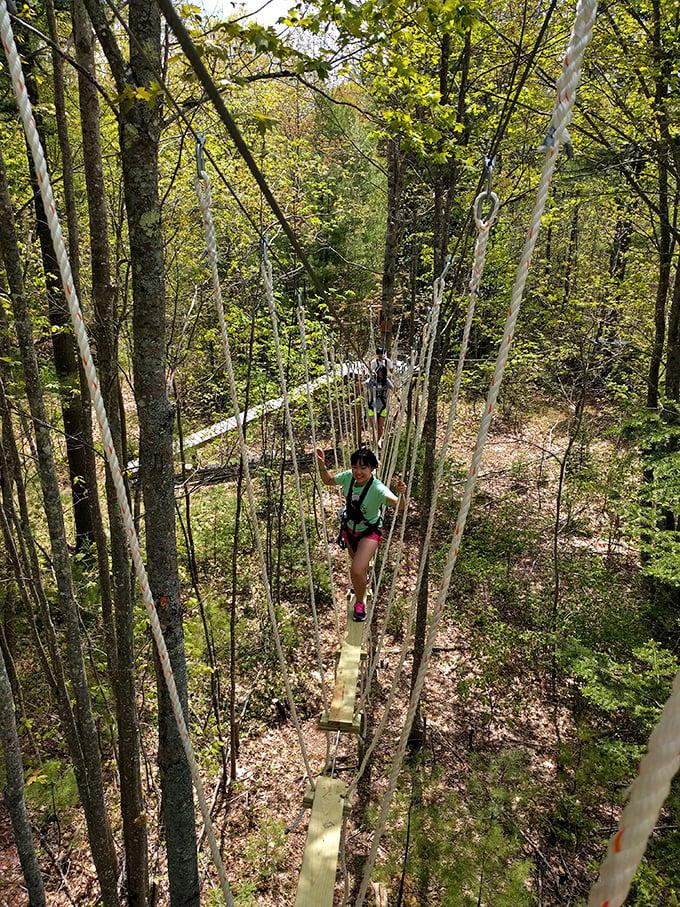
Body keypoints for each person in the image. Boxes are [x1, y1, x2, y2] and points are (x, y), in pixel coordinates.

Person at [316, 446, 406, 622]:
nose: (358, 472)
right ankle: (362, 582)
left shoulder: (378, 489)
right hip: (349, 529)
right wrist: (321, 465)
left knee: (356, 570)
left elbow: (399, 506)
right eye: (355, 467)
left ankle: (359, 603)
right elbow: (328, 480)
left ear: (372, 469)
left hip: (369, 531)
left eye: (363, 468)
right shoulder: (348, 477)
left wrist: (402, 494)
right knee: (357, 563)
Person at [365, 365, 394, 443]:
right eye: (379, 374)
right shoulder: (372, 380)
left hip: (382, 406)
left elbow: (393, 387)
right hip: (372, 406)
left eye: (381, 374)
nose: (380, 376)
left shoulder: (386, 381)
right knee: (374, 427)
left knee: (380, 427)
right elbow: (365, 383)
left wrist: (394, 389)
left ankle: (376, 441)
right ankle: (374, 442)